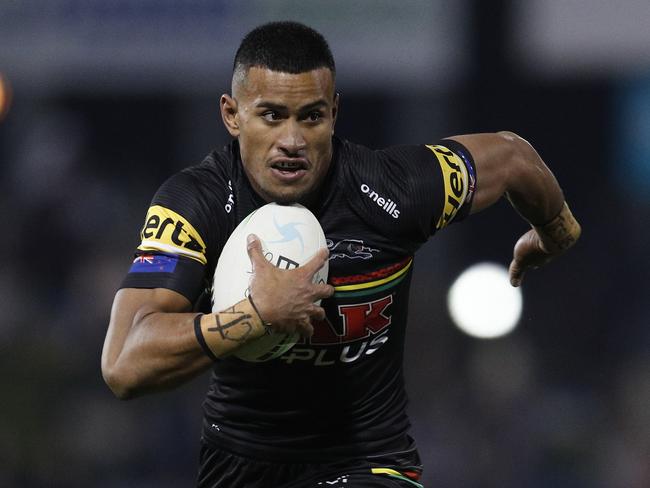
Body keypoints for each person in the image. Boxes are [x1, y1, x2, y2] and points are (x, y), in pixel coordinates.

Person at [101, 21, 581, 488]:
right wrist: (258, 315)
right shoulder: (195, 205)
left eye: (311, 116)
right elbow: (124, 365)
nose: (292, 140)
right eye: (271, 115)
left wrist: (555, 232)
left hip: (369, 462)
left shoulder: (395, 191)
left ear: (334, 112)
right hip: (239, 465)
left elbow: (513, 157)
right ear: (231, 114)